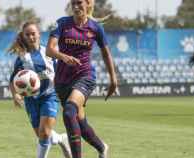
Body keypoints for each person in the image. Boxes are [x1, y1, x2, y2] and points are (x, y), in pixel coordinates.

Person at [46, 0, 118, 157]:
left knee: (68, 112)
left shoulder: (96, 28)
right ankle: (102, 148)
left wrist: (113, 78)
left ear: (88, 4)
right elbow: (49, 50)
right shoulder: (62, 23)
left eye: (79, 3)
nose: (76, 6)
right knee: (80, 123)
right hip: (62, 80)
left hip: (85, 76)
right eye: (73, 3)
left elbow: (106, 53)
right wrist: (63, 56)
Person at [8, 21, 72, 158]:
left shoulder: (49, 52)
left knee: (44, 134)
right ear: (23, 37)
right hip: (31, 100)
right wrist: (16, 95)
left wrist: (64, 91)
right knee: (42, 134)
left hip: (50, 95)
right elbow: (12, 80)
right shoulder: (22, 58)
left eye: (33, 34)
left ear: (39, 34)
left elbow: (60, 73)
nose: (31, 37)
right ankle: (62, 139)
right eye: (28, 35)